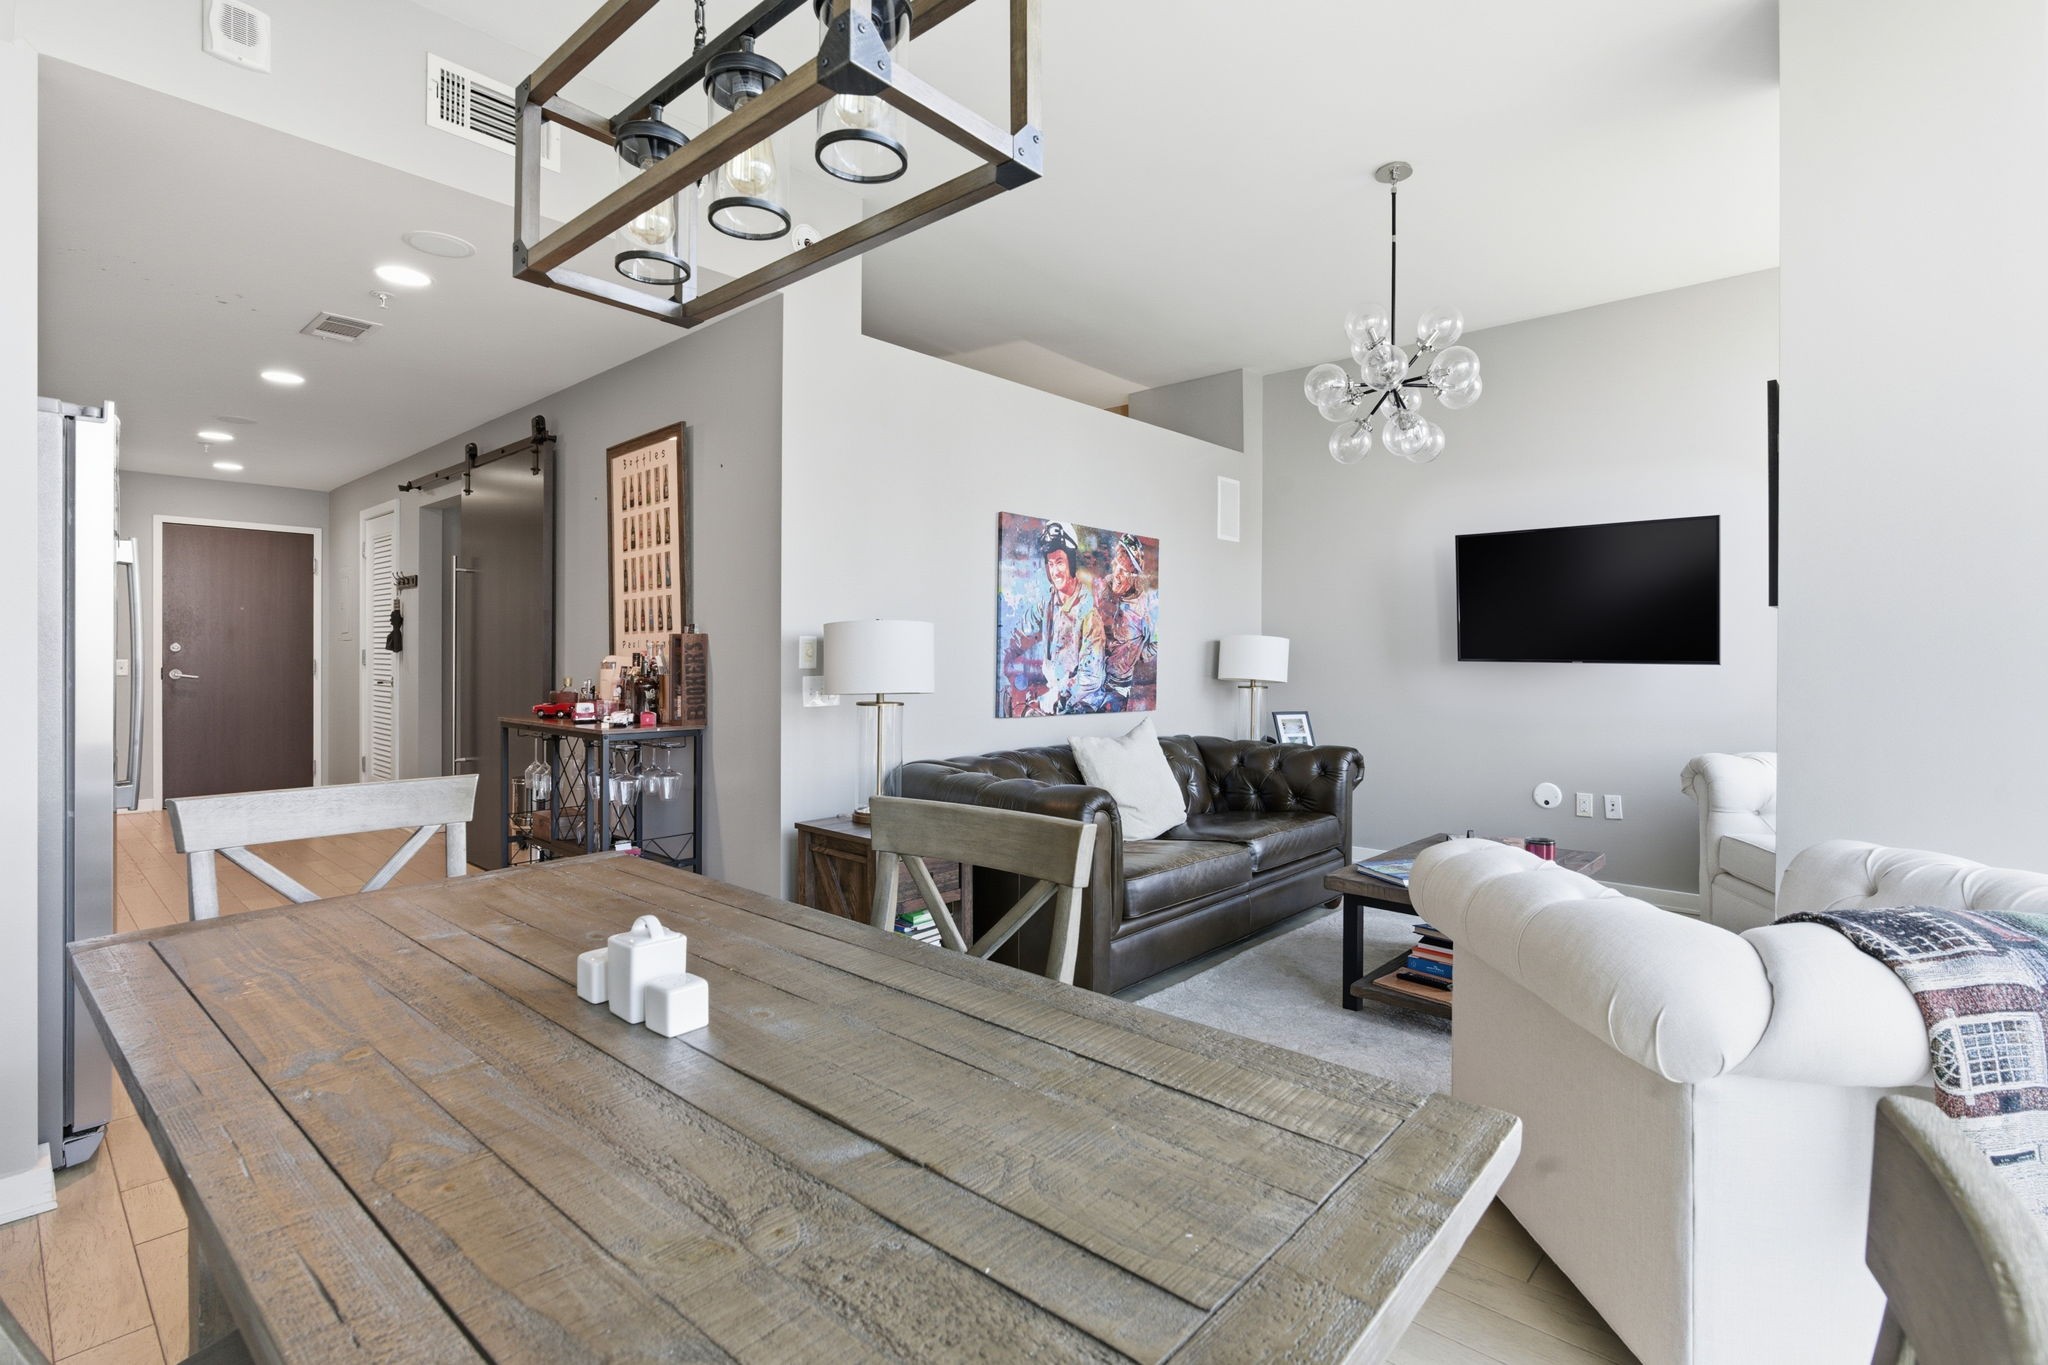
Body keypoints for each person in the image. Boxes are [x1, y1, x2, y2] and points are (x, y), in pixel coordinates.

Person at [1023, 521, 1106, 714]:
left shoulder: (1088, 613)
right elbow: (1022, 630)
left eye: (1059, 562)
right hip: (1054, 699)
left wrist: (1055, 696)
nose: (1055, 571)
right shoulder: (1049, 601)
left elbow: (1091, 677)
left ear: (1071, 562)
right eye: (1050, 564)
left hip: (1082, 706)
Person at [1093, 533, 1157, 712]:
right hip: (1093, 679)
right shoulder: (1103, 589)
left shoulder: (1144, 607)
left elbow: (1157, 641)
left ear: (1135, 576)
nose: (1117, 575)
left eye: (1124, 571)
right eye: (1116, 567)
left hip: (1118, 688)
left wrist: (1137, 656)